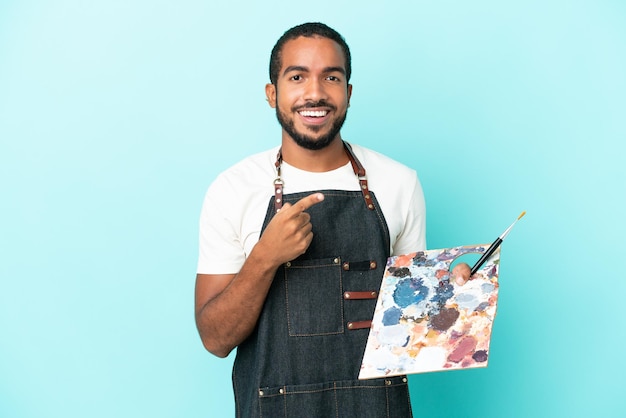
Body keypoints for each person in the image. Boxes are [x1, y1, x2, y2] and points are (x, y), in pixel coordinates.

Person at [195, 22, 470, 417]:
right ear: (272, 93)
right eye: (297, 76)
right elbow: (215, 339)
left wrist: (453, 297)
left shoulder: (399, 183)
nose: (315, 92)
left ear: (348, 93)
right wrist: (265, 257)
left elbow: (411, 335)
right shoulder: (233, 189)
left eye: (331, 77)